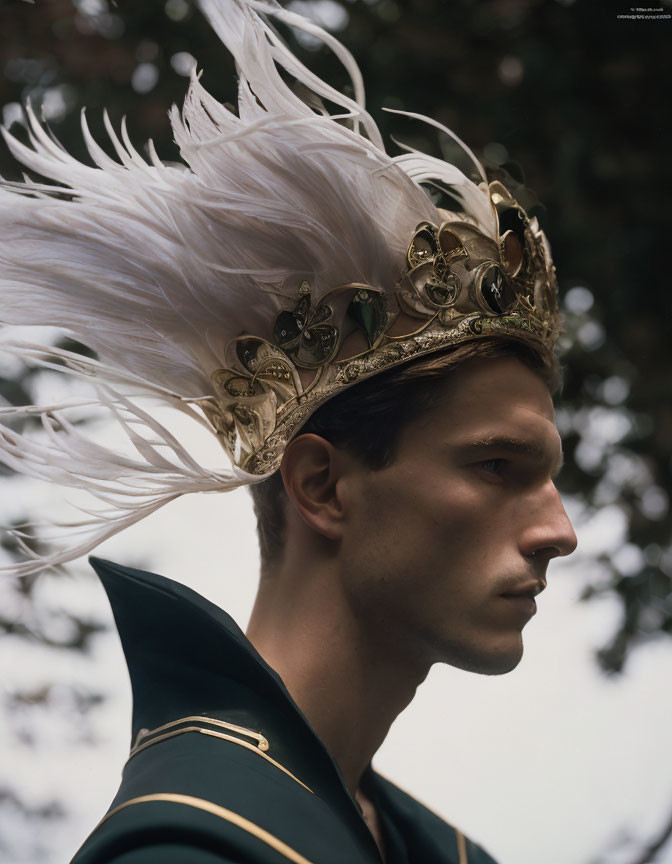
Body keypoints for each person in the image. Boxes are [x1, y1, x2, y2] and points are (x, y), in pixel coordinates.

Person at [0, 1, 576, 862]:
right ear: (321, 486)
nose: (559, 532)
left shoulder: (435, 849)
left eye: (548, 476)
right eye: (496, 466)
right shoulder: (186, 851)